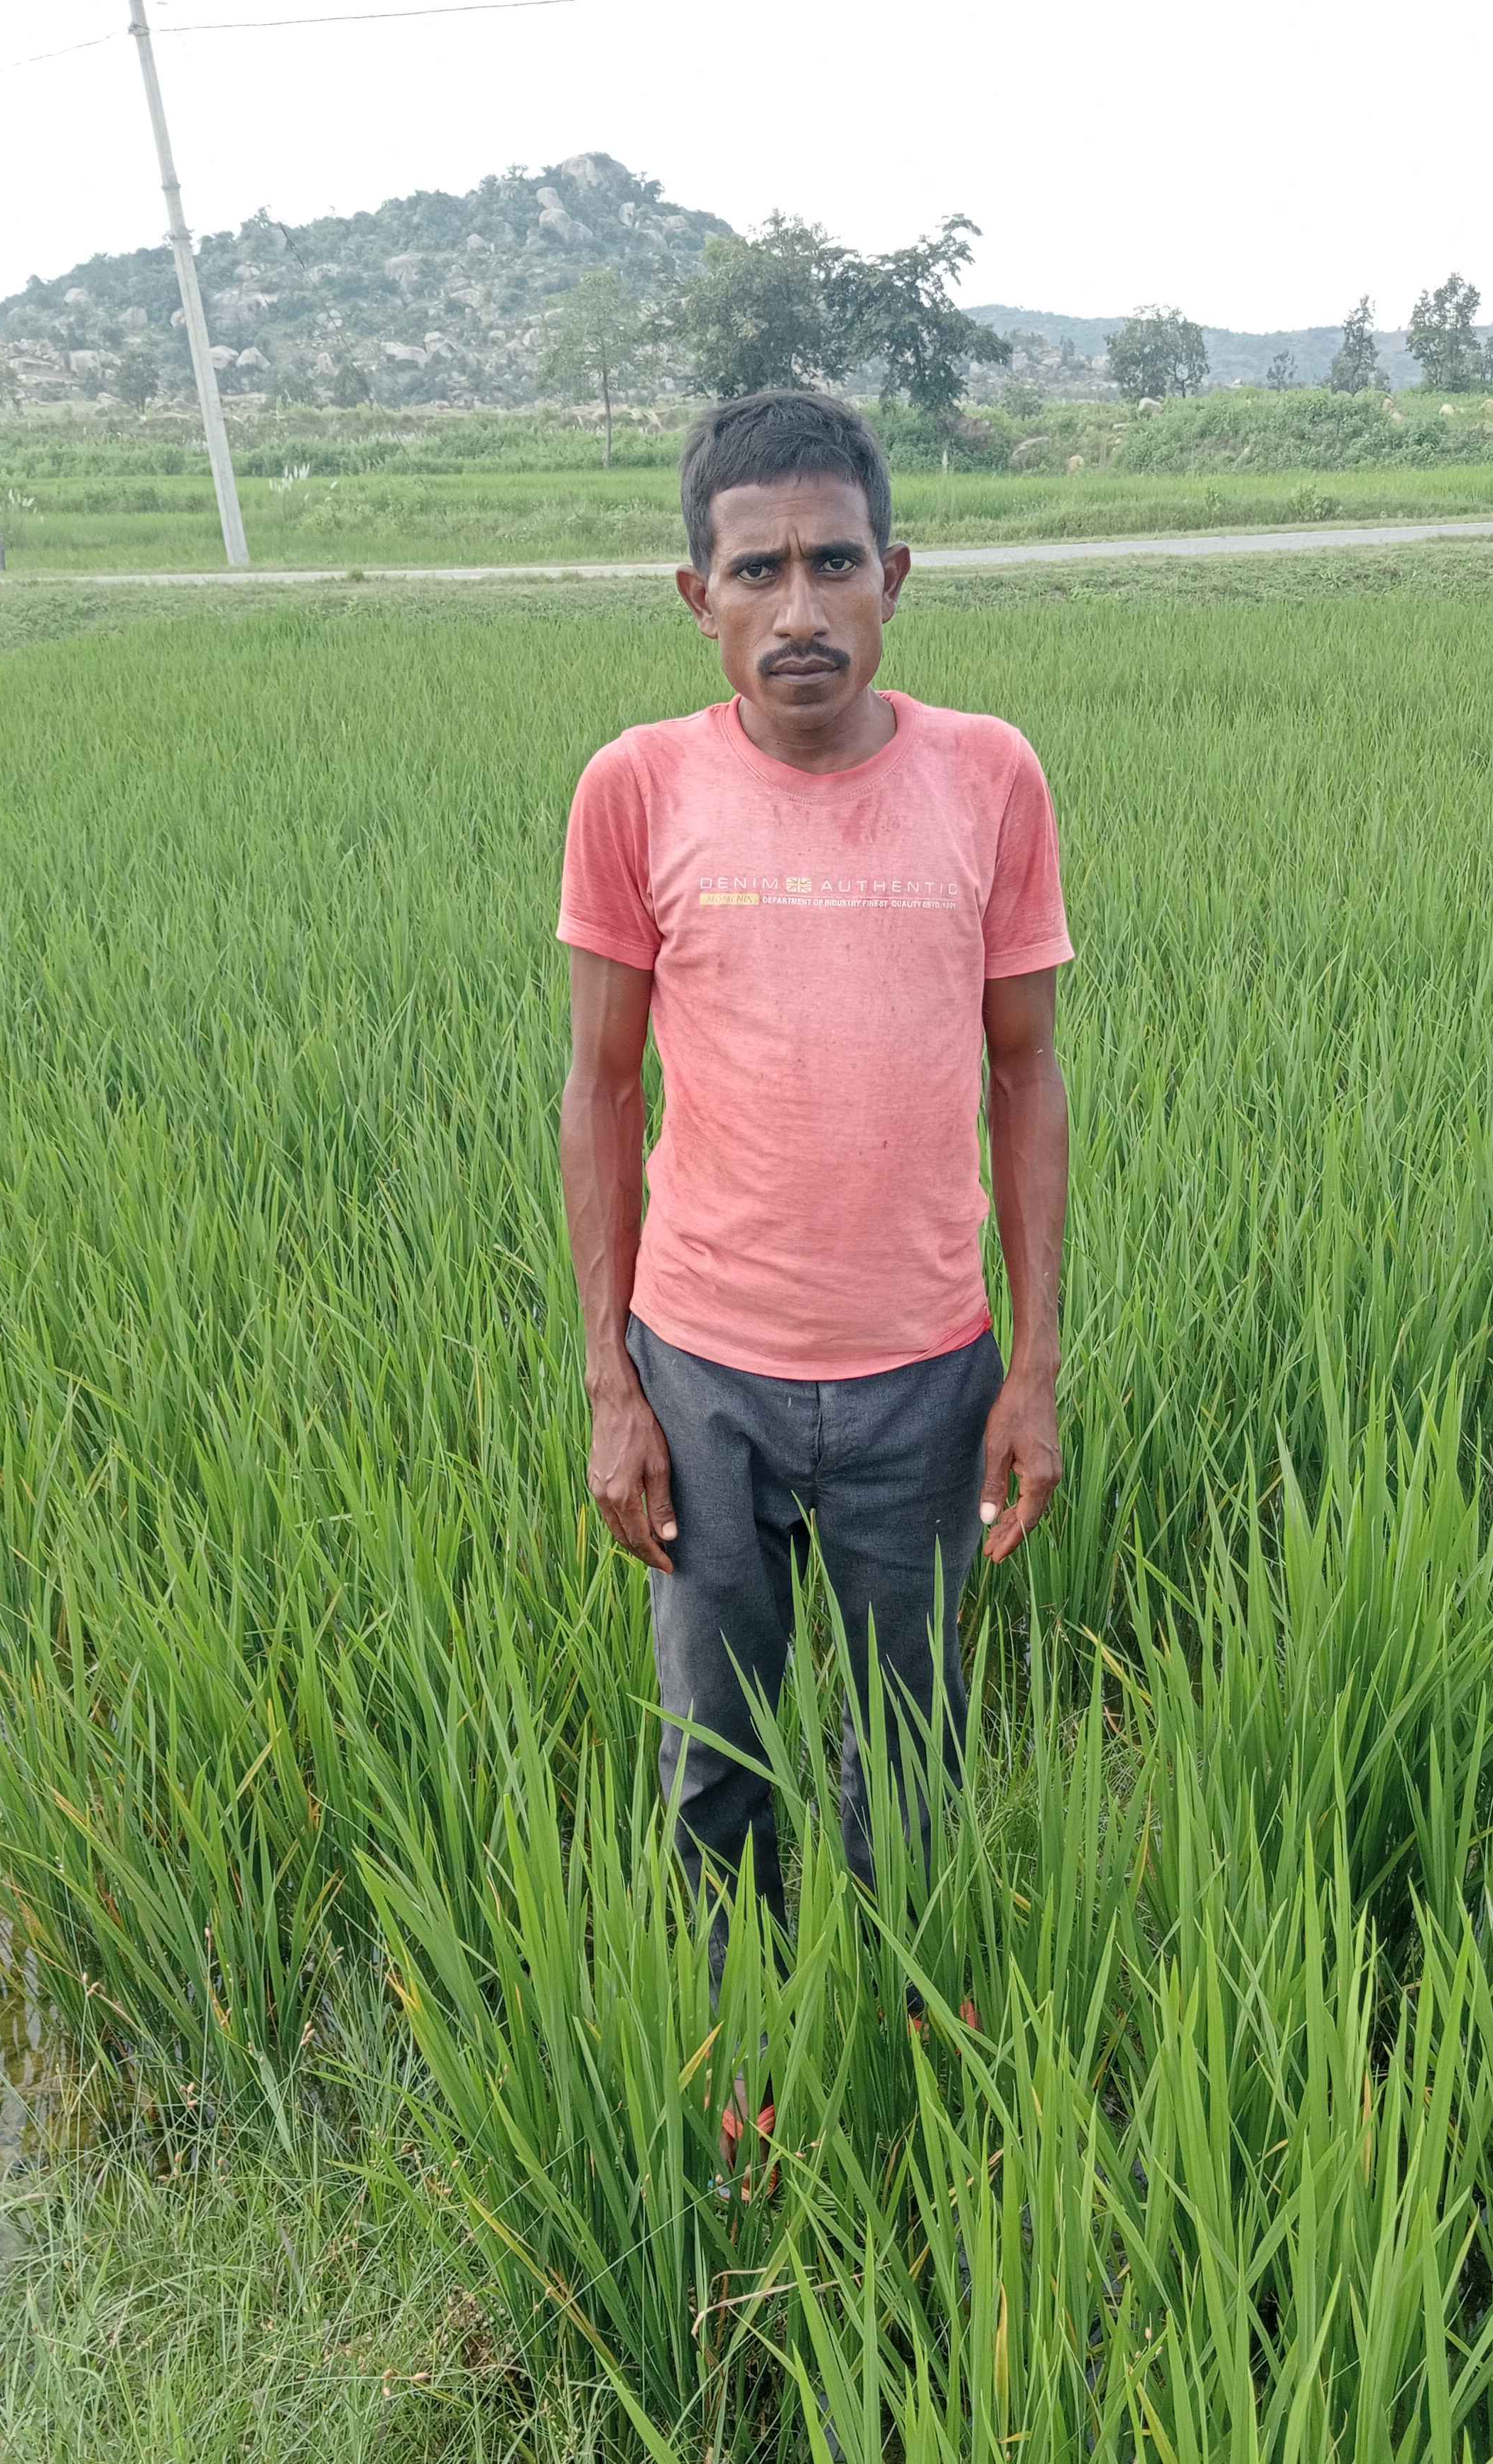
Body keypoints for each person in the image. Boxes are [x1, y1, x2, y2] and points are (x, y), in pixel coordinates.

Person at [557, 388, 1071, 2002]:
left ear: (893, 577)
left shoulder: (989, 777)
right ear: (695, 596)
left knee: (914, 1740)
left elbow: (1027, 1075)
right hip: (704, 1373)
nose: (800, 611)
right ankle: (736, 2043)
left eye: (834, 563)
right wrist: (613, 1387)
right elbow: (600, 1089)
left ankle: (899, 2023)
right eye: (758, 571)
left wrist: (1035, 1366)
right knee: (715, 1750)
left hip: (928, 1371)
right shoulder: (636, 788)